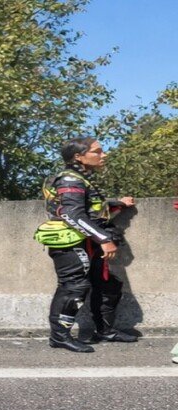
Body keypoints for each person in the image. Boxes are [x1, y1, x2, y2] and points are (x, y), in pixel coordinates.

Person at [37, 137, 137, 353]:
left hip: (86, 242)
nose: (104, 155)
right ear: (78, 157)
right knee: (74, 287)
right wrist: (105, 239)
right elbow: (71, 213)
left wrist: (117, 202)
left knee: (107, 285)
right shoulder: (70, 180)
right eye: (98, 152)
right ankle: (59, 336)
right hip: (70, 242)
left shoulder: (80, 178)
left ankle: (105, 330)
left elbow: (90, 206)